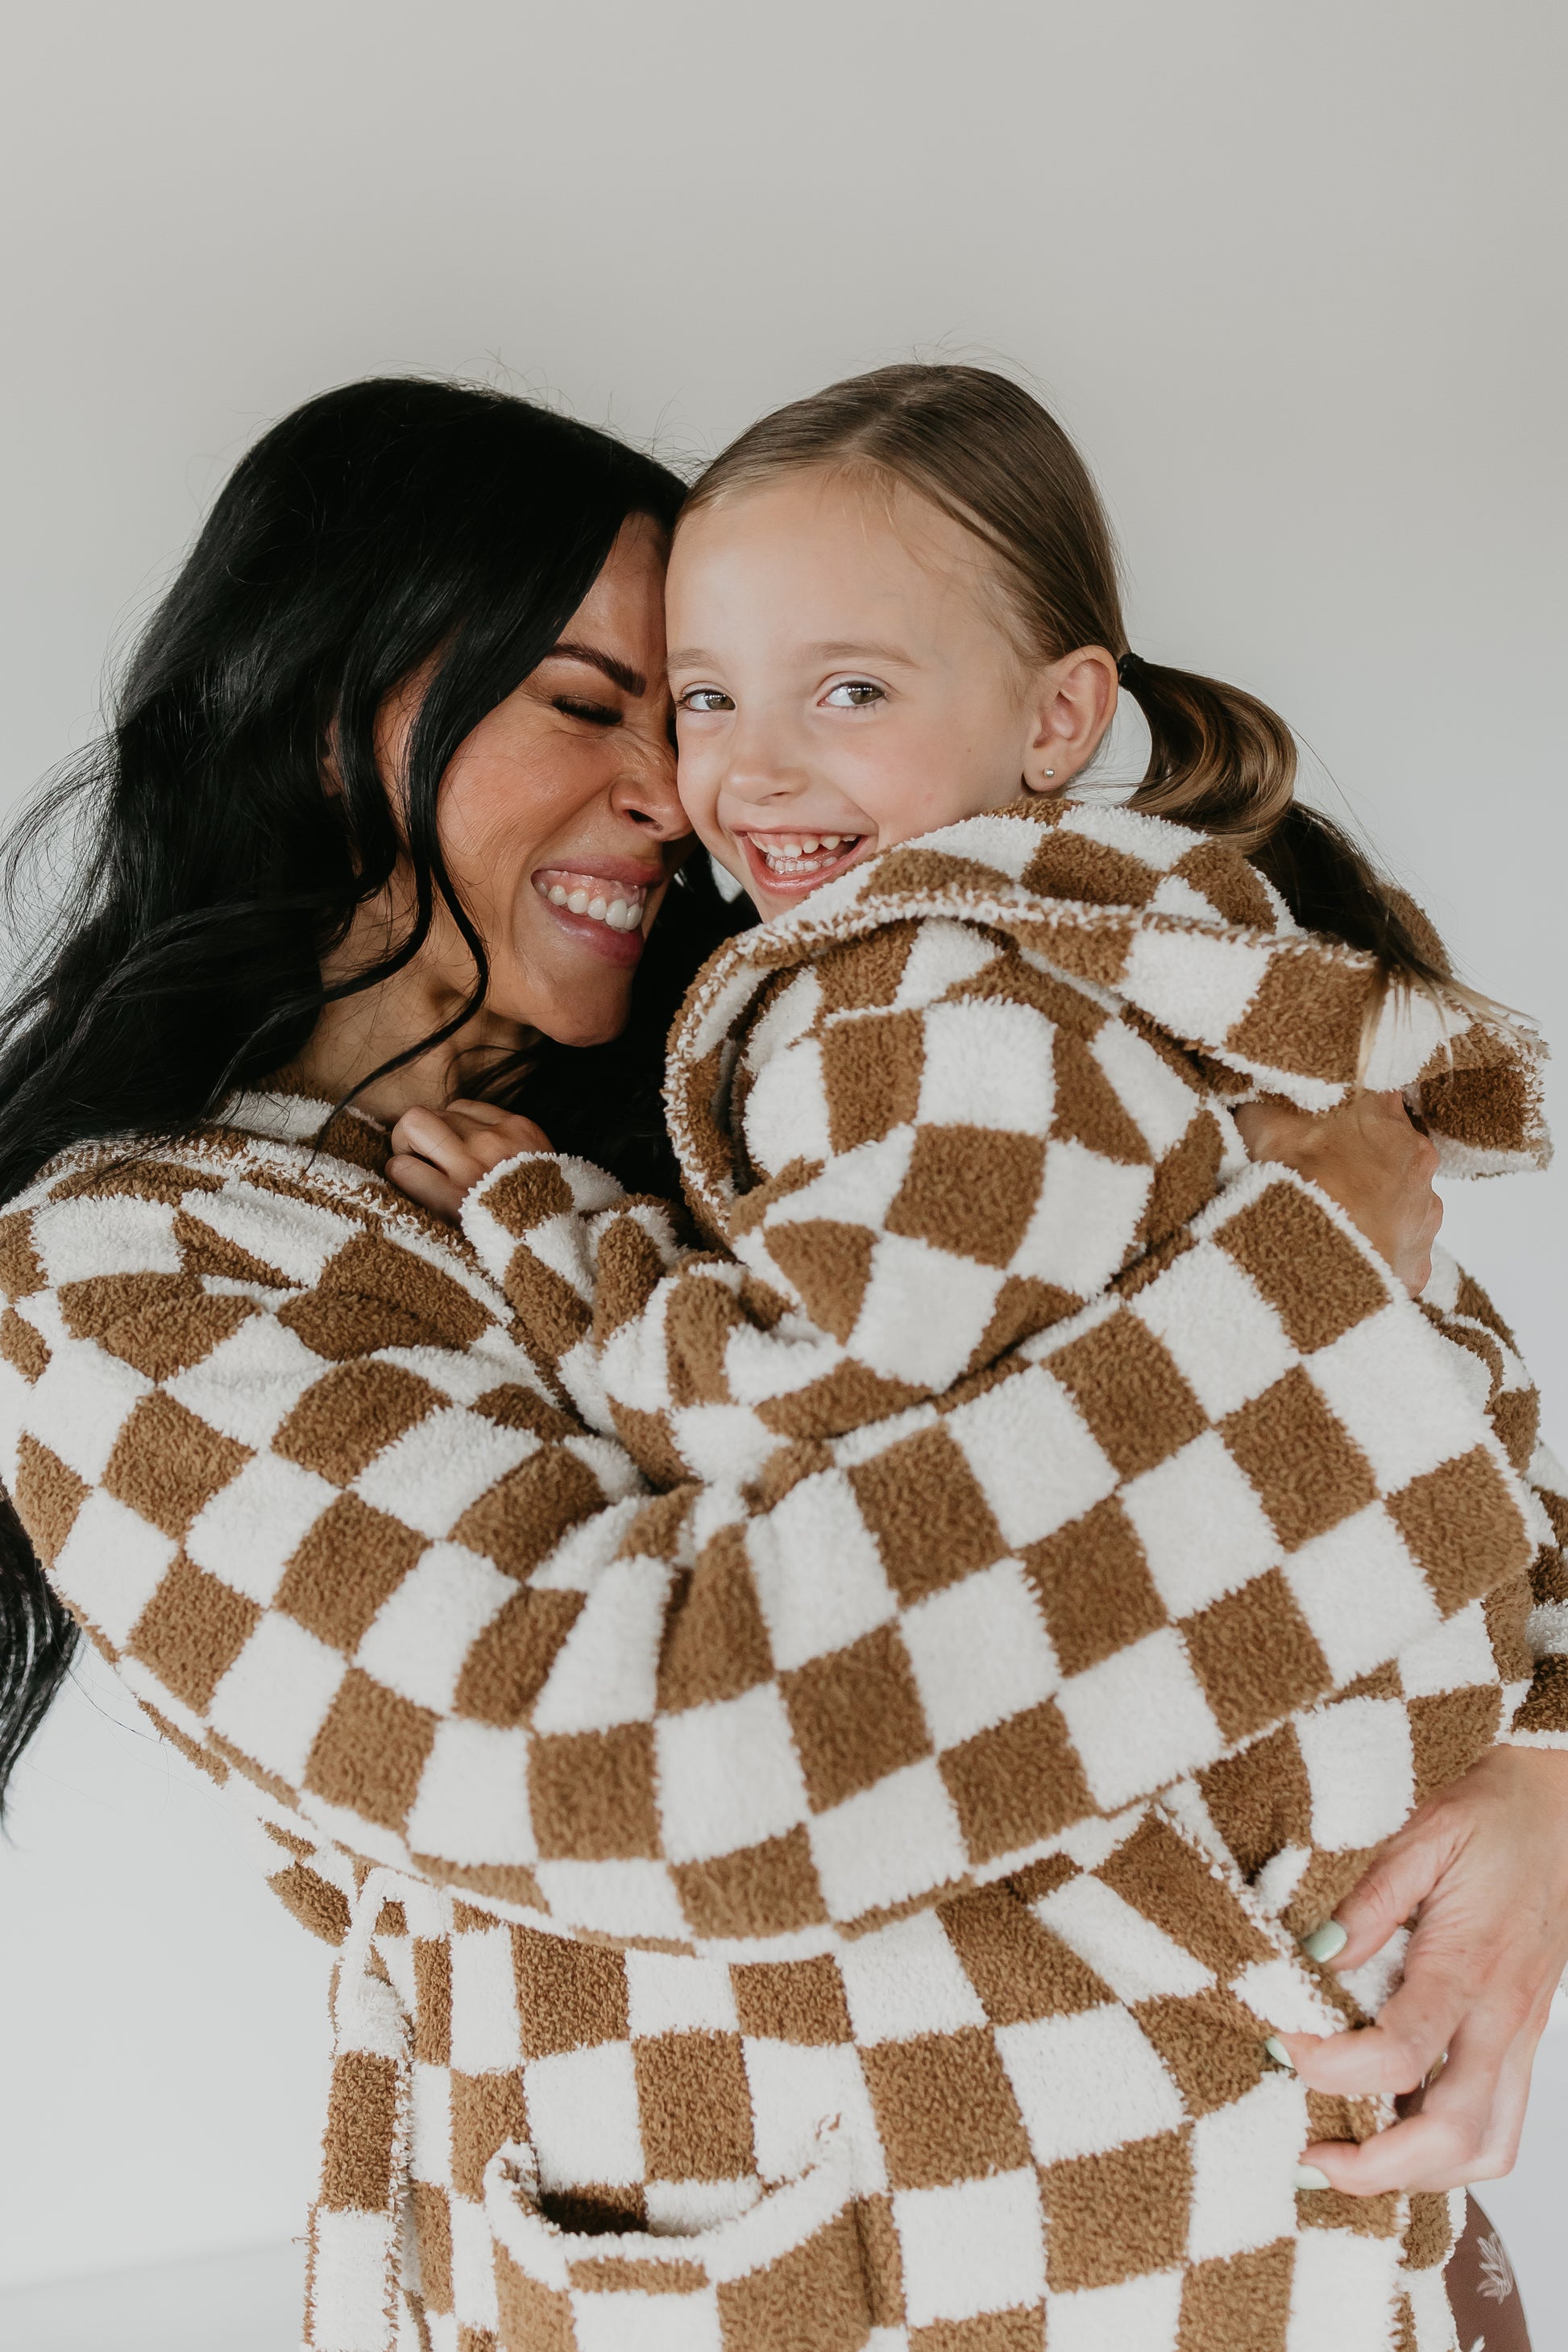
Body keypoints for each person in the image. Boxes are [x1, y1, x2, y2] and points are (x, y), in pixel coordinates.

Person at [0, 374, 1558, 2352]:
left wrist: (1538, 1767)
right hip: (826, 2293)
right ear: (322, 713)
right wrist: (1304, 1279)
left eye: (696, 702)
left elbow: (1443, 1404)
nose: (685, 787)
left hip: (1318, 2235)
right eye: (596, 700)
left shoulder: (798, 1090)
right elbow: (654, 1770)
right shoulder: (135, 1273)